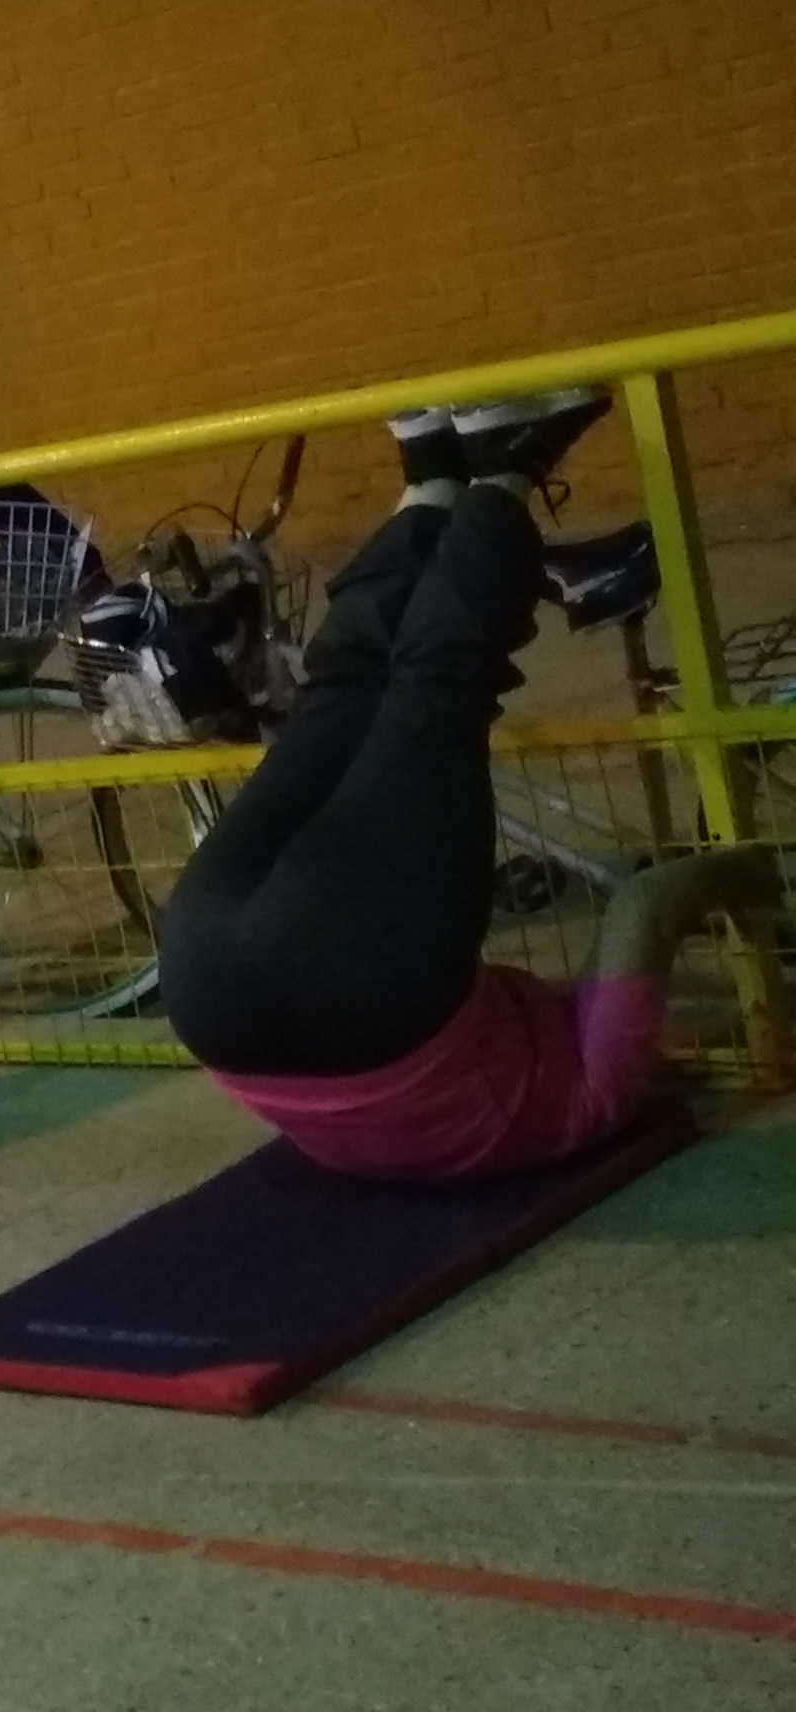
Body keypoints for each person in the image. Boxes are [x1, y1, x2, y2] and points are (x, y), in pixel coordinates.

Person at [159, 389, 777, 1180]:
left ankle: (509, 463)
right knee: (342, 691)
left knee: (439, 689)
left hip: (356, 994)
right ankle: (431, 475)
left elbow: (647, 904)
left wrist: (762, 875)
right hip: (207, 996)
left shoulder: (589, 1101)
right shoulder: (471, 1124)